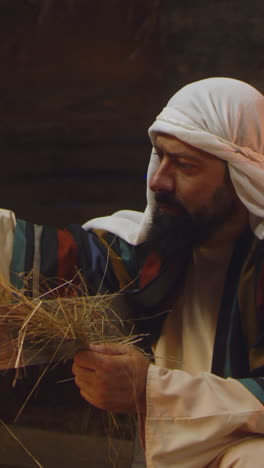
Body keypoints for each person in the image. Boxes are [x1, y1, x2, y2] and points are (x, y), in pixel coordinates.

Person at [1, 77, 264, 467]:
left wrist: (150, 391)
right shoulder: (159, 247)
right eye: (160, 156)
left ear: (240, 177)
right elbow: (68, 262)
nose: (158, 180)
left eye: (186, 166)